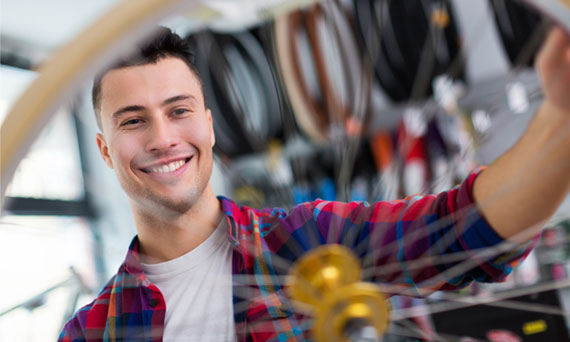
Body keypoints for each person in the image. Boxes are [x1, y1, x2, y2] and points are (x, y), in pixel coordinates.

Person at [59, 25, 570, 342]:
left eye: (179, 111)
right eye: (132, 121)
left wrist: (560, 116)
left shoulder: (307, 240)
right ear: (104, 150)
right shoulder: (91, 332)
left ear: (210, 126)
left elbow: (466, 232)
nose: (163, 138)